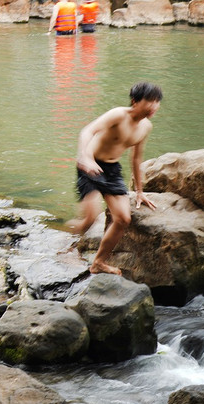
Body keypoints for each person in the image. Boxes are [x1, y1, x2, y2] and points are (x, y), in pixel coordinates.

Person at [67, 82, 162, 276]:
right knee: (89, 220)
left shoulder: (146, 126)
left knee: (123, 219)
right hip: (90, 166)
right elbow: (87, 131)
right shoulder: (118, 114)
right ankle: (68, 237)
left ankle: (98, 263)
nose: (154, 106)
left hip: (112, 171)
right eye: (150, 101)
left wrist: (140, 191)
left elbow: (136, 158)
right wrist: (85, 157)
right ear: (135, 101)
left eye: (157, 102)